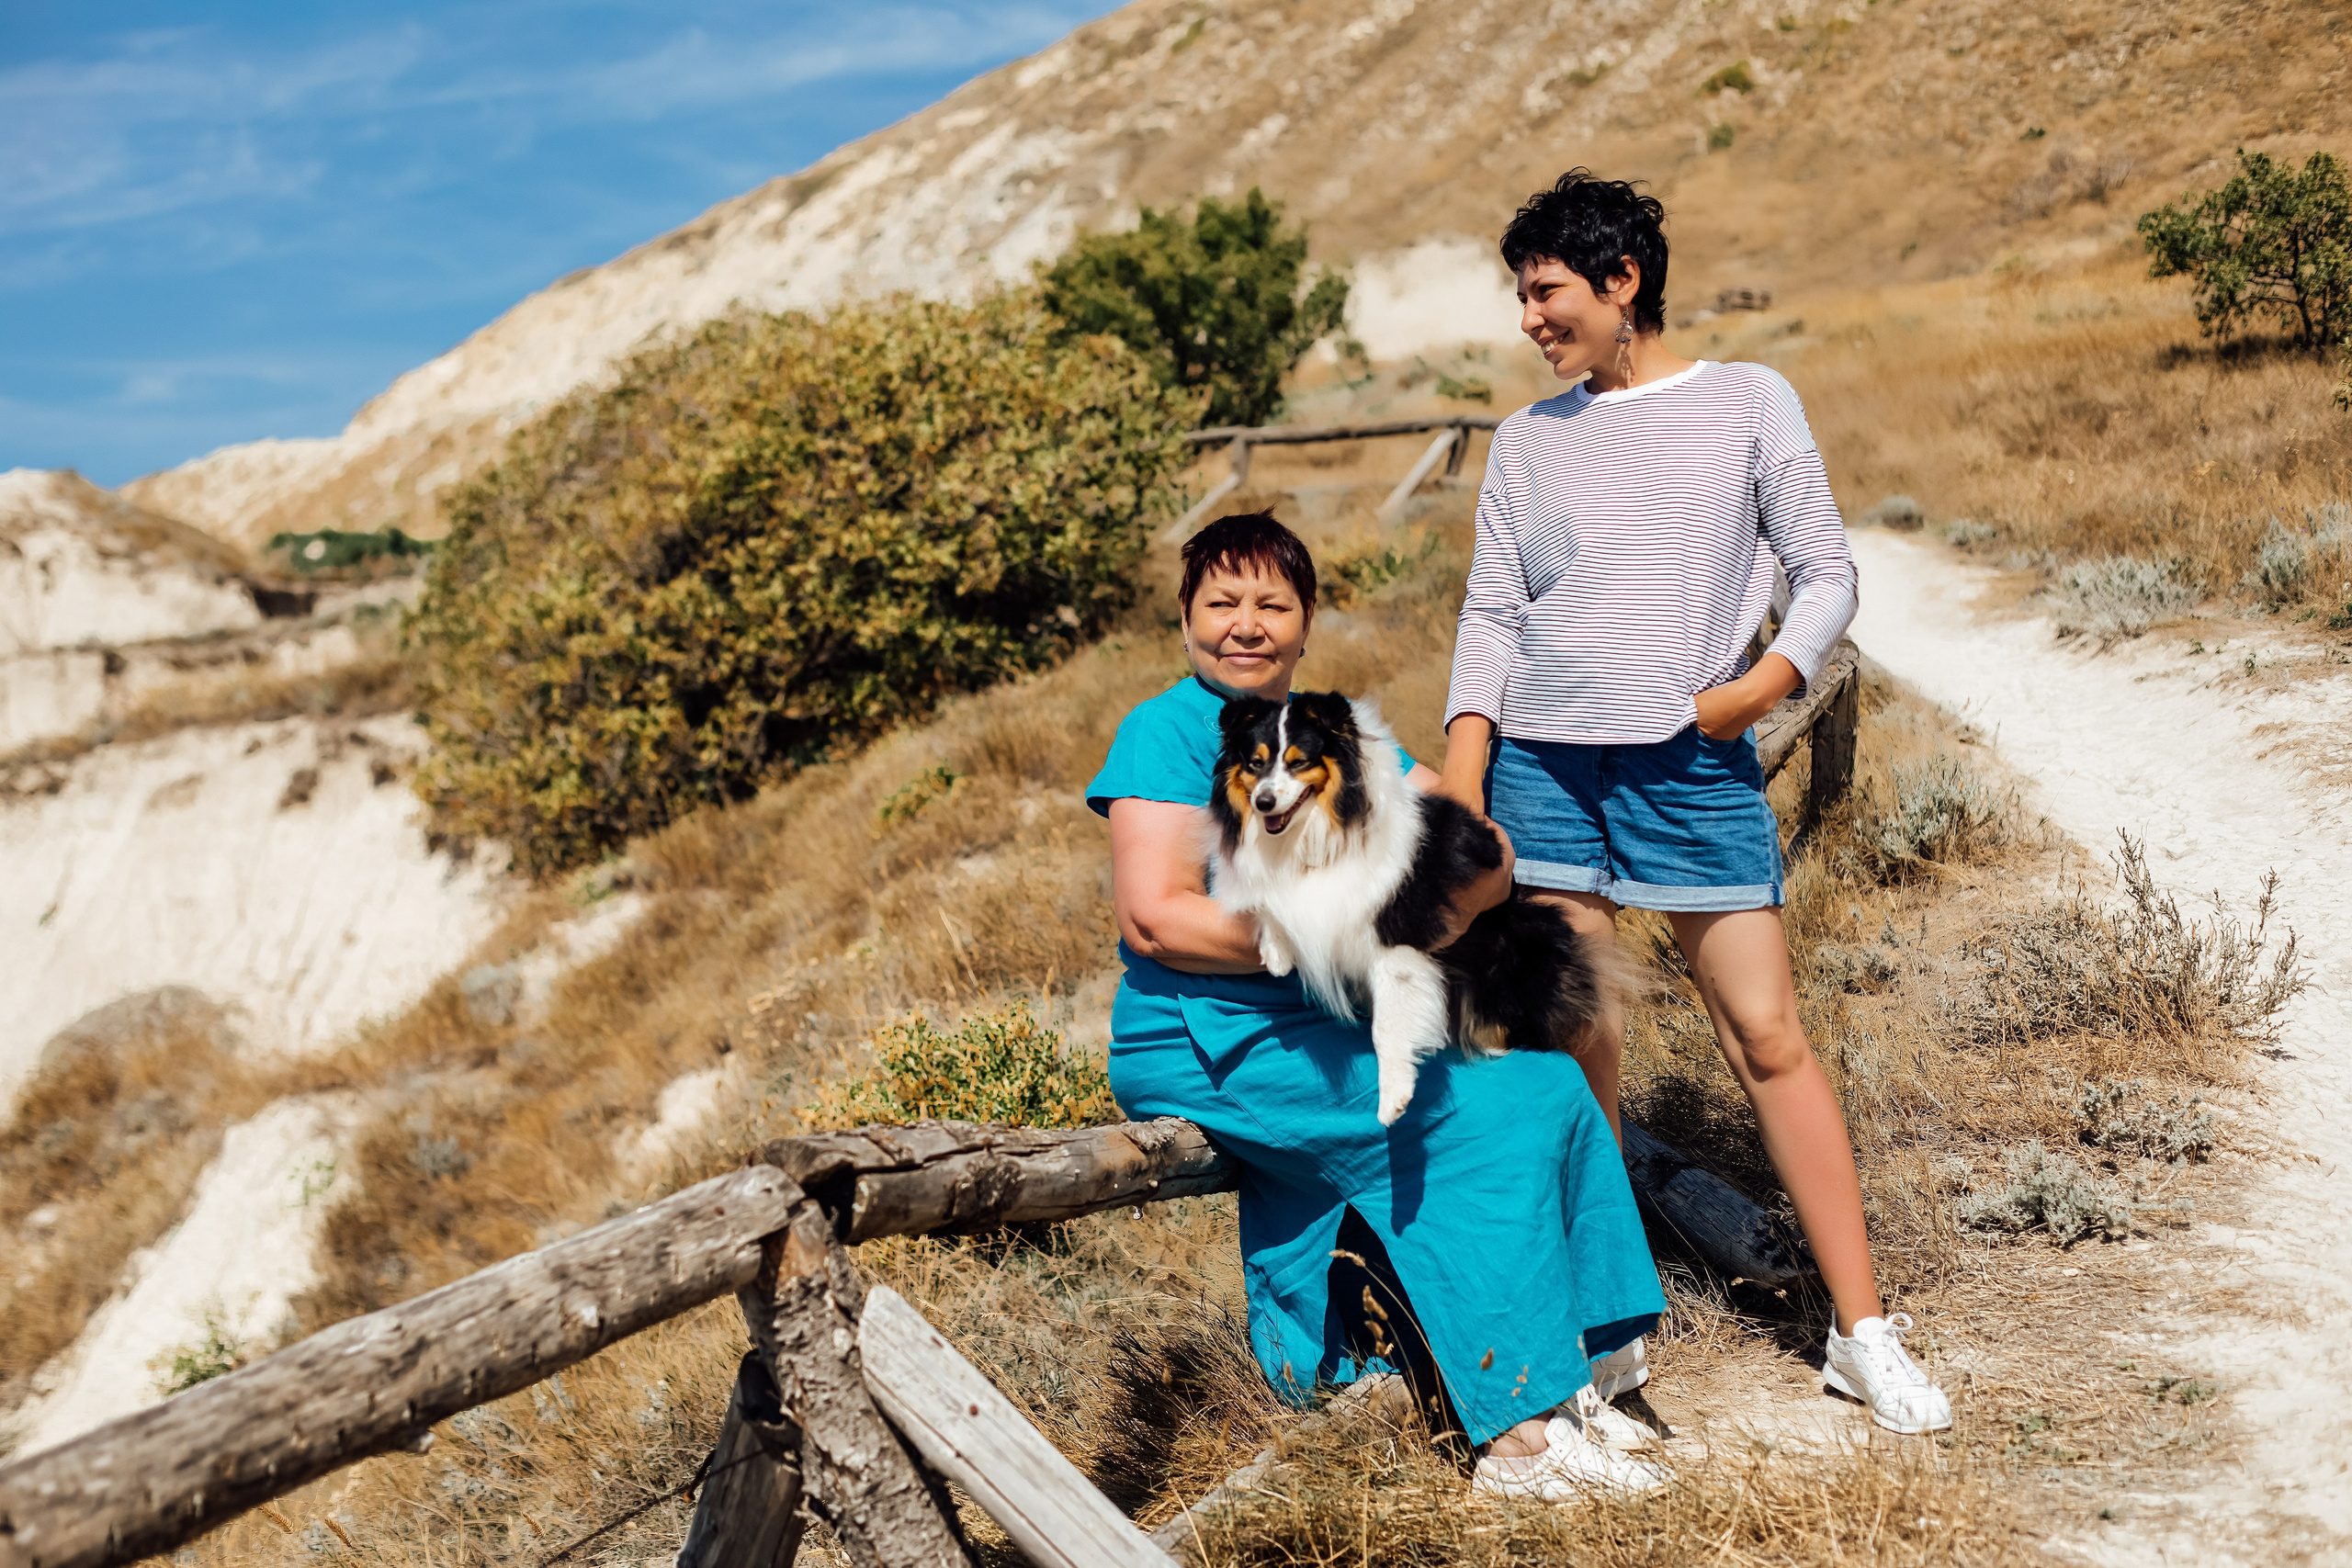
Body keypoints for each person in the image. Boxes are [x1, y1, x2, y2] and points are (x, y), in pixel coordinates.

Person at [1435, 170, 1951, 1436]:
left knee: (1765, 1035)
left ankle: (1863, 1335)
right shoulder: (1527, 439)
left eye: (1545, 291)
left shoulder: (1746, 399)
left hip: (1686, 765)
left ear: (1622, 282)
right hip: (1544, 772)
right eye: (1521, 297)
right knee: (1578, 1044)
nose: (1529, 319)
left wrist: (1759, 690)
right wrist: (1464, 773)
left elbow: (1825, 570)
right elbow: (1493, 612)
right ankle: (1606, 1345)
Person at [1090, 510, 1670, 1500]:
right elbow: (1157, 921)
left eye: (1272, 604)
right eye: (1222, 602)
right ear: (1185, 618)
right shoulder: (1163, 731)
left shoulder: (1337, 736)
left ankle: (1585, 1375)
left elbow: (1479, 843)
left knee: (1548, 1090)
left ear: (1306, 623)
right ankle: (1517, 1439)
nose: (1246, 624)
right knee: (1478, 1118)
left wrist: (1461, 896)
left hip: (1327, 1025)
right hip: (1211, 1033)